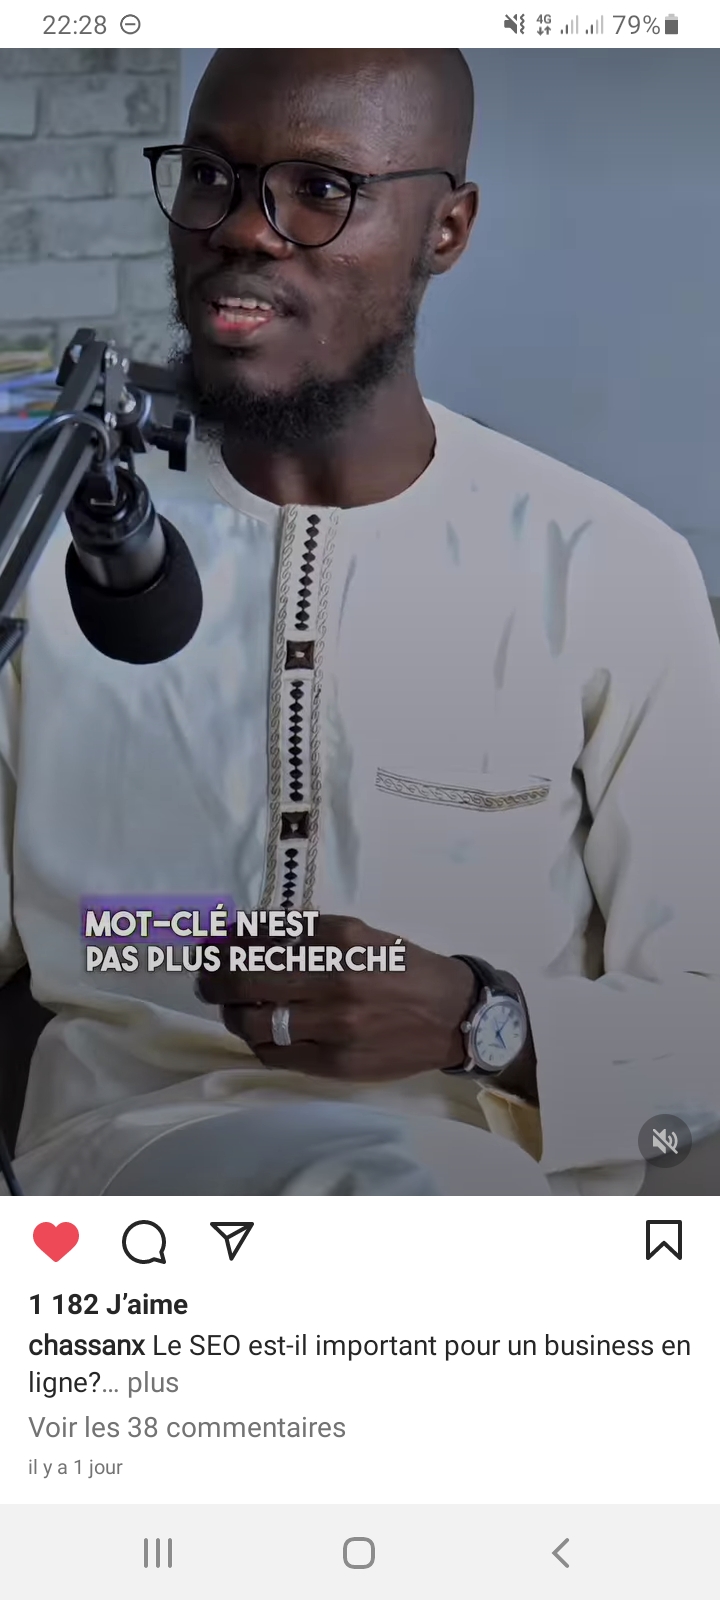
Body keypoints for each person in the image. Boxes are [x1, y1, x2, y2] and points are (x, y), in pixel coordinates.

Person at [1, 48, 719, 1196]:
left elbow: (703, 1018)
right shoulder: (45, 543)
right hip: (126, 1164)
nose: (246, 228)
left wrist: (480, 1018)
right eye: (211, 176)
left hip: (494, 1196)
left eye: (321, 190)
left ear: (448, 228)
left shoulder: (610, 570)